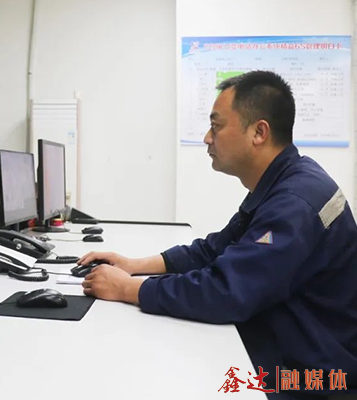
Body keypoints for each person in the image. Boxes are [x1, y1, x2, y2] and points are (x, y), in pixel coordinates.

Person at [80, 71, 357, 398]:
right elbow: (216, 249)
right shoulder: (285, 181)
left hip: (314, 378)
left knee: (166, 378)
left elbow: (226, 292)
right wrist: (133, 265)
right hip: (290, 346)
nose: (207, 138)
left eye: (216, 126)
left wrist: (128, 289)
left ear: (259, 132)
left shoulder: (295, 202)